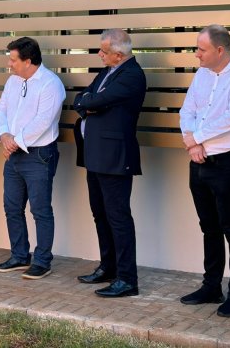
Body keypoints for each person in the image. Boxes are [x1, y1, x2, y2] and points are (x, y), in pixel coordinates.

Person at [178, 25, 230, 317]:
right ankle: (211, 286)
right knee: (209, 227)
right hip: (199, 160)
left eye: (201, 49)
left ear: (220, 50)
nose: (196, 54)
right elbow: (187, 111)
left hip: (229, 162)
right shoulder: (202, 74)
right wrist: (192, 144)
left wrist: (197, 138)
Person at [74, 29, 146, 298]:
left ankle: (127, 279)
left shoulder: (132, 75)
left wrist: (91, 102)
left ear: (118, 54)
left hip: (115, 156)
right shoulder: (107, 72)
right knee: (100, 213)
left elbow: (99, 99)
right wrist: (88, 103)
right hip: (94, 154)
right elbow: (83, 98)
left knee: (118, 217)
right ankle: (108, 267)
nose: (99, 54)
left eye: (103, 51)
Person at [0, 37, 66, 280]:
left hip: (38, 155)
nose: (9, 64)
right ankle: (19, 256)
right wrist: (4, 135)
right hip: (13, 153)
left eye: (13, 60)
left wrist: (14, 141)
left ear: (28, 61)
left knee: (40, 210)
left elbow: (43, 121)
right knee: (12, 207)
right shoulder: (12, 81)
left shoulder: (50, 84)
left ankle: (42, 261)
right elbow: (1, 110)